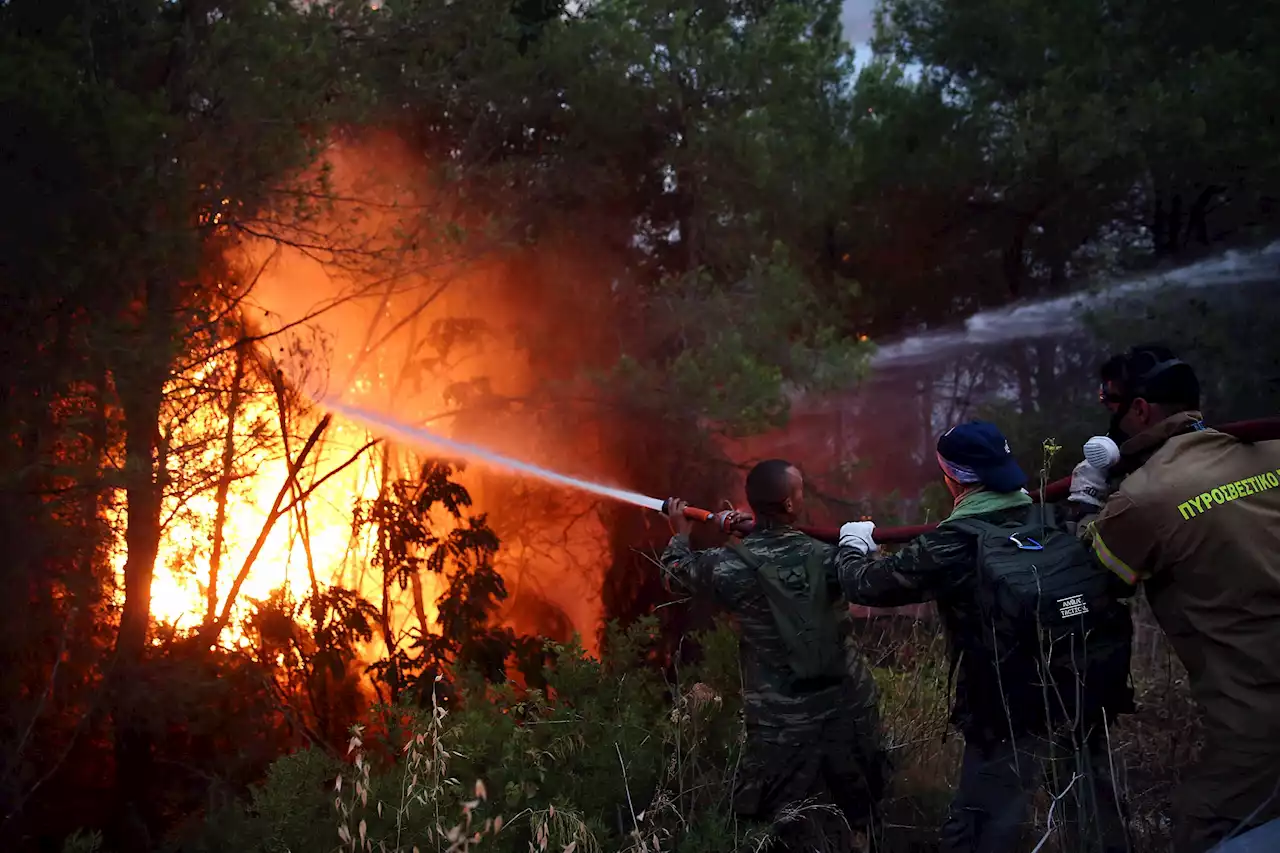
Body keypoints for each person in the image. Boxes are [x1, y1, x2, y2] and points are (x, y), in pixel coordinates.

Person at [836, 421, 1134, 853]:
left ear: (951, 478)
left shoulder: (951, 545)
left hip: (1004, 710)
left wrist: (853, 542)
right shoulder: (1052, 517)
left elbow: (864, 585)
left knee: (981, 828)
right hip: (1082, 689)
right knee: (1094, 812)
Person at [1072, 345, 1280, 852]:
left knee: (1203, 829)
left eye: (1110, 403)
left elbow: (1091, 581)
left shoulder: (1145, 497)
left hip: (1258, 720)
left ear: (1139, 410)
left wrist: (1086, 499)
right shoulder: (1271, 450)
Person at [661, 459, 890, 851]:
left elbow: (675, 572)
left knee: (779, 824)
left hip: (779, 720)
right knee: (863, 812)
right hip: (847, 707)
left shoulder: (729, 563)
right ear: (787, 505)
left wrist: (680, 534)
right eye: (799, 490)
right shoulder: (829, 554)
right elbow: (872, 576)